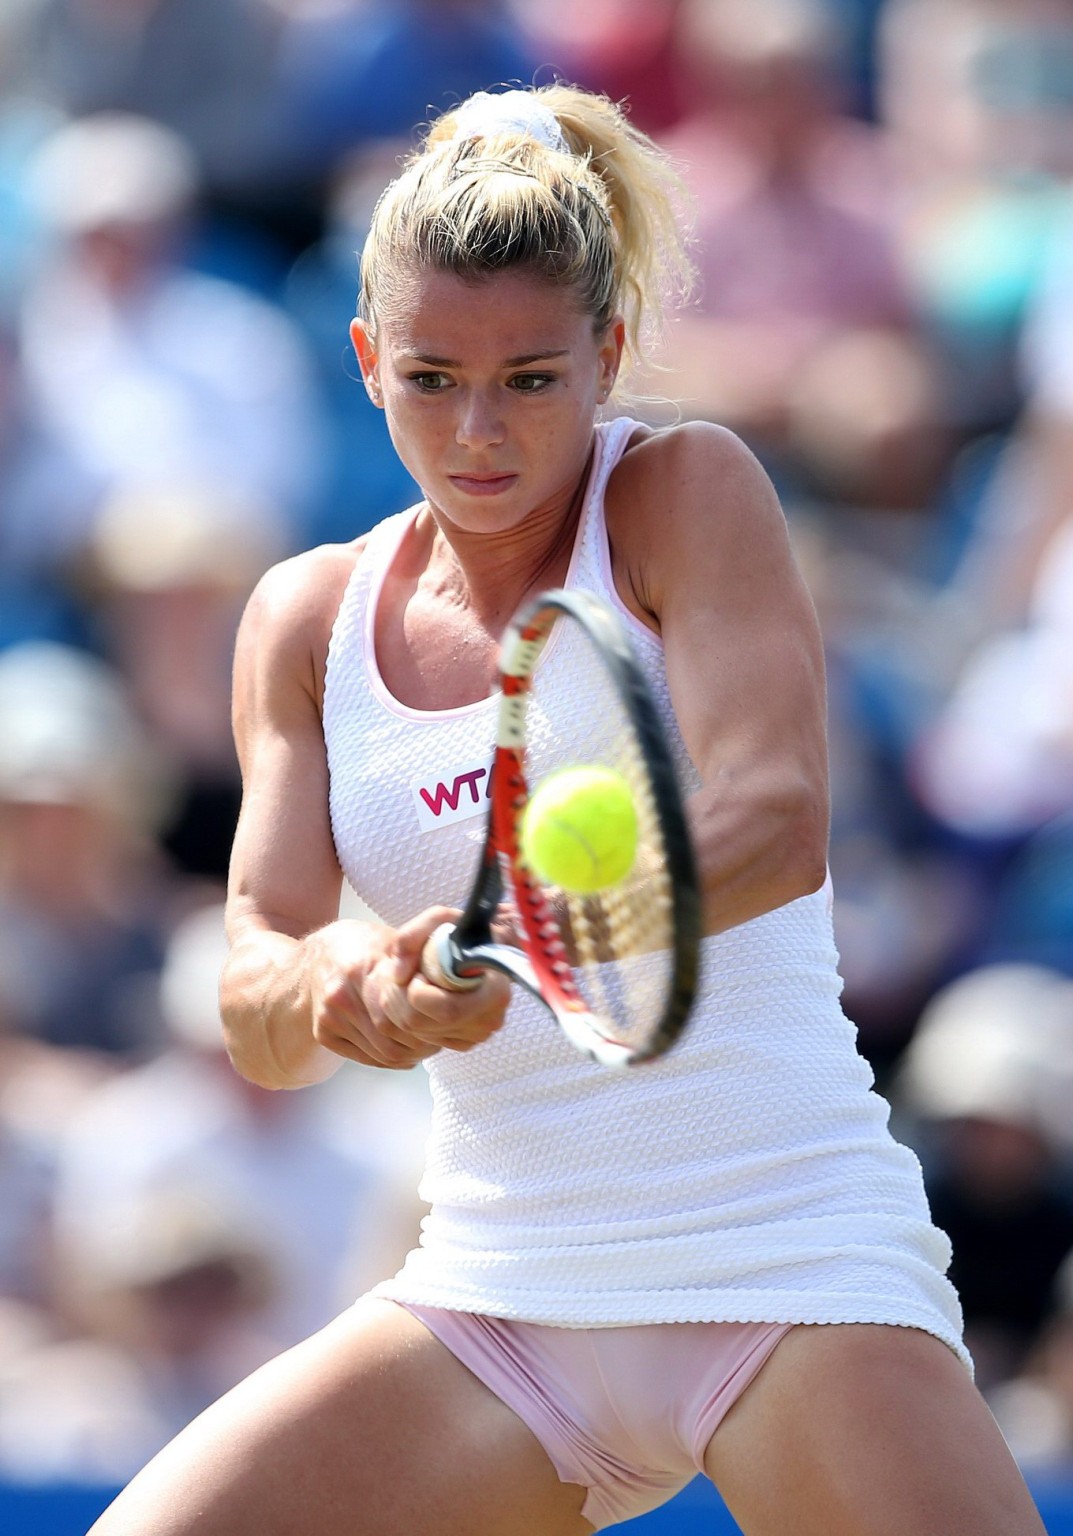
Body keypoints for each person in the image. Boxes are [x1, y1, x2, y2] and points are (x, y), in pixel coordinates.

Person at [88, 83, 1047, 1536]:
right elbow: (255, 985)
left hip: (780, 1258)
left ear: (606, 354)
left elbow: (776, 823)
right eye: (429, 378)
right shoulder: (303, 618)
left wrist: (523, 925)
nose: (478, 433)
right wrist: (352, 987)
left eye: (529, 379)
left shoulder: (681, 490)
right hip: (498, 1293)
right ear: (363, 359)